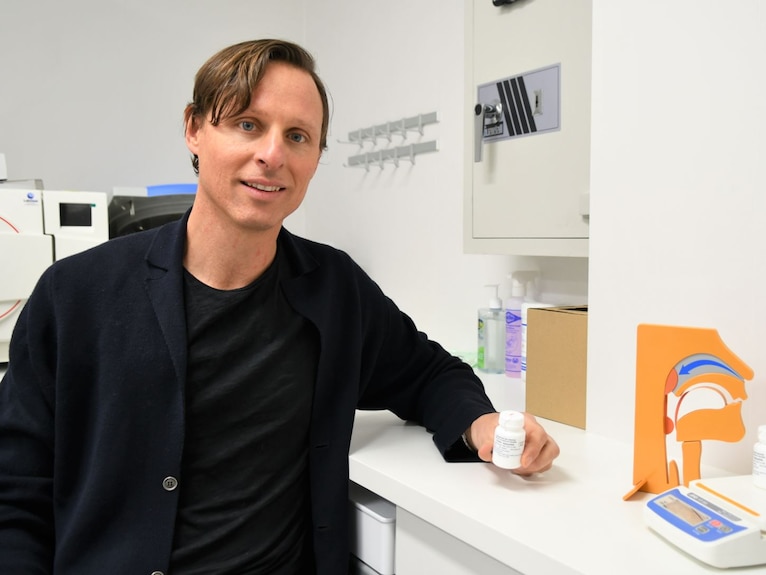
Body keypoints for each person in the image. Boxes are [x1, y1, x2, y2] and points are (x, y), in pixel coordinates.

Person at [0, 39, 559, 574]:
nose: (272, 154)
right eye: (248, 124)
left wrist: (481, 423)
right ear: (195, 128)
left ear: (316, 156)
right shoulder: (75, 295)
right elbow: (16, 494)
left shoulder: (333, 286)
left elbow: (428, 372)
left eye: (298, 136)